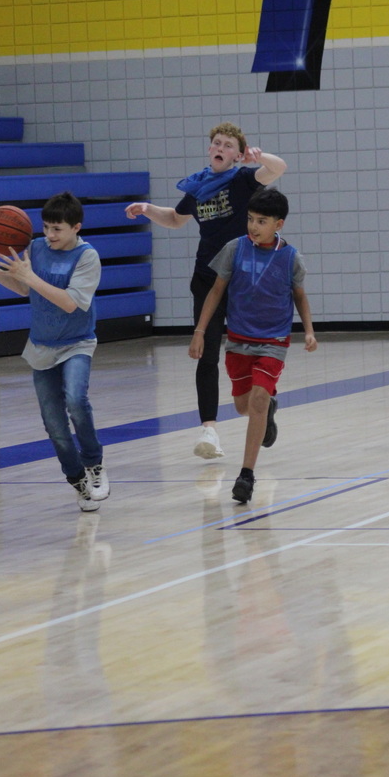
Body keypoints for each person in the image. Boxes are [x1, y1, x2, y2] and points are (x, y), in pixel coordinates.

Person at [125, 122, 287, 461]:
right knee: (206, 353)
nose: (220, 148)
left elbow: (278, 168)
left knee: (249, 351)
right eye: (217, 143)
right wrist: (147, 209)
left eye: (228, 145)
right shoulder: (199, 187)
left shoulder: (243, 180)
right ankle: (209, 430)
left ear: (237, 155)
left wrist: (259, 157)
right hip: (207, 278)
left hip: (242, 282)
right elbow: (175, 218)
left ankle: (265, 401)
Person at [0, 191, 109, 512]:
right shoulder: (37, 248)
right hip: (42, 345)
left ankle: (94, 463)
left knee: (76, 400)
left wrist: (30, 276)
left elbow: (70, 303)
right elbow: (21, 286)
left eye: (57, 229)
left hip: (77, 342)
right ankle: (77, 480)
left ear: (76, 227)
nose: (49, 234)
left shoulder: (87, 257)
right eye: (45, 227)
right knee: (54, 427)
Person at [189, 188, 317, 504]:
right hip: (239, 340)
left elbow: (300, 297)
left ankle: (246, 474)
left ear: (278, 224)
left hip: (274, 341)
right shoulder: (235, 249)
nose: (253, 226)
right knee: (243, 406)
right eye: (250, 219)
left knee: (258, 399)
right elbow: (216, 291)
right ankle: (268, 409)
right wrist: (200, 331)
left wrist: (309, 331)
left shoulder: (291, 258)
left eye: (262, 221)